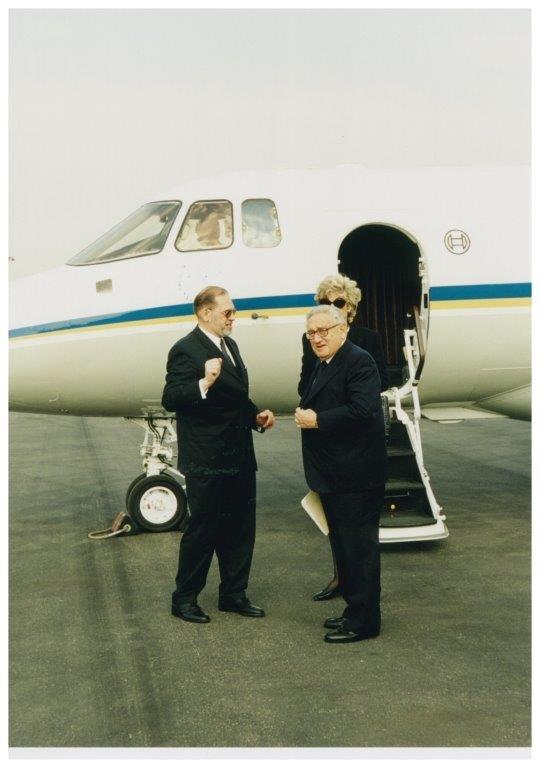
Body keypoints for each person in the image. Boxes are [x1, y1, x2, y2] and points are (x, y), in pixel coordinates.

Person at [162, 286, 275, 624]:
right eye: (227, 312)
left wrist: (256, 415)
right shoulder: (185, 350)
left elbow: (237, 397)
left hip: (239, 454)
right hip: (206, 458)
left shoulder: (231, 346)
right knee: (204, 530)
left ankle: (234, 594)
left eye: (233, 311)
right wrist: (205, 382)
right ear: (205, 313)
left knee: (241, 528)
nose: (232, 317)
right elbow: (171, 397)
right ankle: (184, 599)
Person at [295, 304, 387, 643]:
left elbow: (363, 410)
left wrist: (316, 419)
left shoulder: (358, 360)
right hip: (335, 475)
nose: (317, 338)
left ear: (342, 330)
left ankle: (365, 622)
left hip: (356, 476)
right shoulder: (324, 362)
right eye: (311, 334)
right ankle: (353, 610)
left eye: (323, 331)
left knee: (359, 550)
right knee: (346, 548)